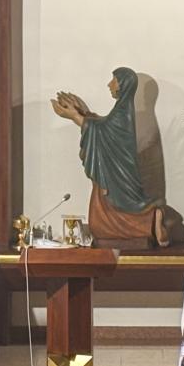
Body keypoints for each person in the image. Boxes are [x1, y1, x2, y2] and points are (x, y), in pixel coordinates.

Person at [50, 67, 168, 245]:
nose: (109, 84)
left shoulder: (123, 111)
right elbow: (105, 126)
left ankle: (149, 218)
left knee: (99, 226)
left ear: (123, 84)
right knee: (99, 225)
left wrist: (74, 116)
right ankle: (149, 218)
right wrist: (82, 113)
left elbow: (104, 130)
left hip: (115, 179)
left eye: (114, 80)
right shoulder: (122, 110)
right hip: (112, 174)